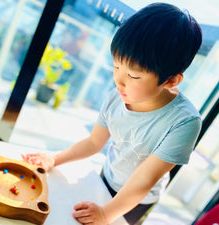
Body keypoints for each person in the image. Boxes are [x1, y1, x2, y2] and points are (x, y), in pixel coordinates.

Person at [22, 3, 202, 225]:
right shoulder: (117, 96)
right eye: (116, 67)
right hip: (107, 176)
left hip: (140, 199)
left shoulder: (184, 122)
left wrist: (107, 214)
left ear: (170, 80)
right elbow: (94, 142)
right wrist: (54, 159)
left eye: (133, 76)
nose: (118, 81)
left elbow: (145, 179)